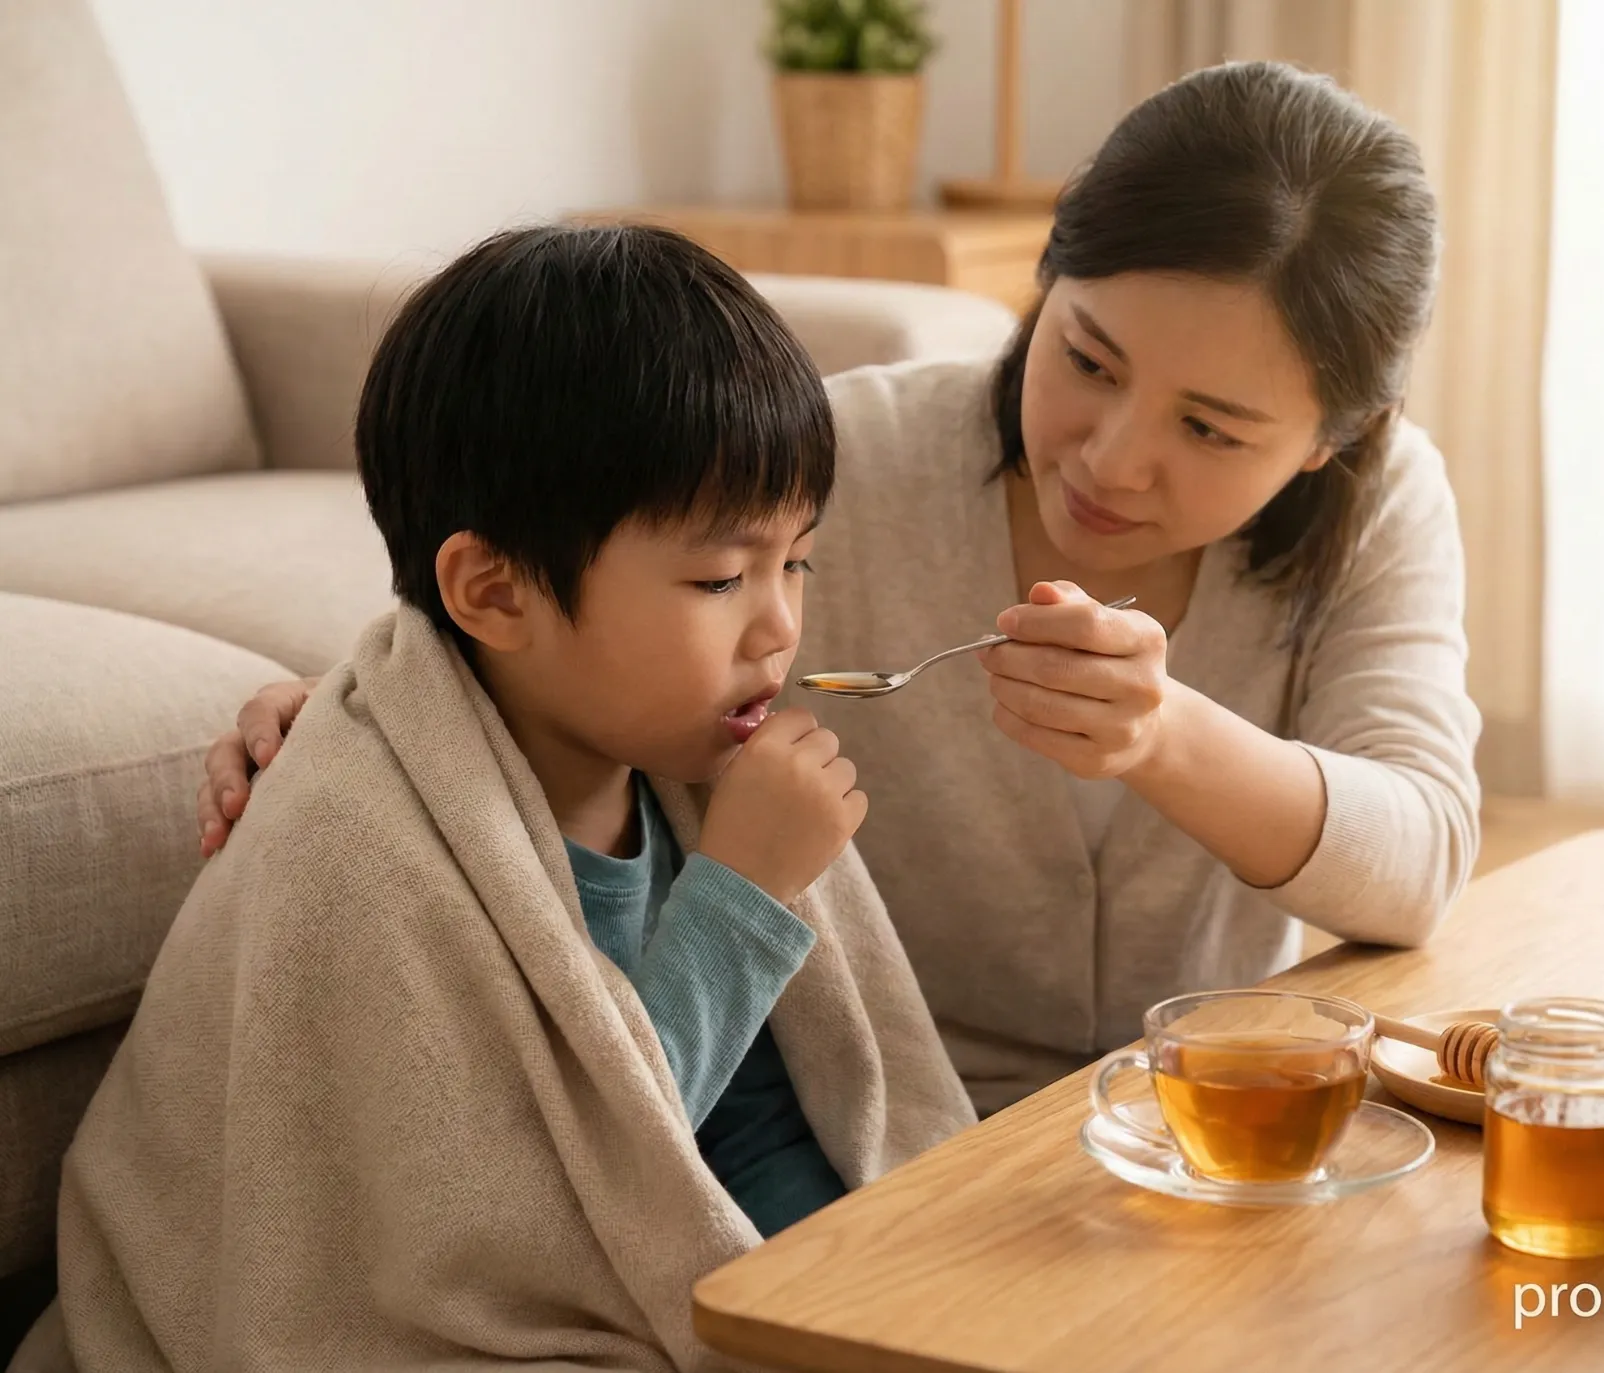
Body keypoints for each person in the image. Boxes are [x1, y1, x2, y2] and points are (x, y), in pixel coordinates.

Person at [197, 62, 1482, 1118]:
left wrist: (1163, 734)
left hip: (1216, 1108)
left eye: (1209, 430)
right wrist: (355, 705)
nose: (1109, 455)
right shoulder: (836, 466)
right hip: (903, 1120)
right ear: (1044, 279)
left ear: (1325, 440)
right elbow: (537, 612)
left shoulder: (1376, 509)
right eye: (1084, 356)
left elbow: (1415, 859)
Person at [58, 225, 973, 1371]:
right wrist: (743, 900)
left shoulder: (671, 771)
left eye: (796, 560)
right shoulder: (359, 842)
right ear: (492, 591)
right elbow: (531, 1217)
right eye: (718, 577)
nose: (780, 623)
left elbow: (768, 1127)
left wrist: (880, 1293)